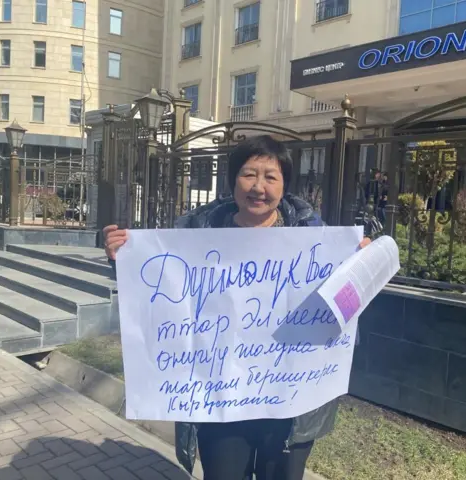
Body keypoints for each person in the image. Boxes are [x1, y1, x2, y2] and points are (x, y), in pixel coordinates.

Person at [103, 135, 371, 480]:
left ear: (284, 185)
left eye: (270, 177)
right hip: (221, 398)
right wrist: (123, 257)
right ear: (232, 181)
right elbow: (158, 286)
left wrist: (360, 266)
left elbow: (343, 309)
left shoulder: (316, 239)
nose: (259, 187)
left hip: (289, 399)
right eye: (249, 174)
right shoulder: (196, 232)